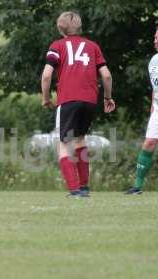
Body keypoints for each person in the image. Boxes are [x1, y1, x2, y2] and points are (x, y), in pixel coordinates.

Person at [40, 11, 116, 197]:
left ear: (60, 28)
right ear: (80, 27)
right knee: (80, 139)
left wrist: (46, 97)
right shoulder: (93, 46)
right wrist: (107, 98)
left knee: (64, 143)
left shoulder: (57, 45)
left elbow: (47, 75)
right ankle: (84, 187)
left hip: (68, 99)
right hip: (90, 100)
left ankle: (75, 190)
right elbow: (106, 75)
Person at [126, 24, 158, 195]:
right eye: (155, 38)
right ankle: (137, 186)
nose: (156, 41)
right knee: (148, 144)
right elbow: (155, 87)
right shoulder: (153, 61)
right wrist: (153, 106)